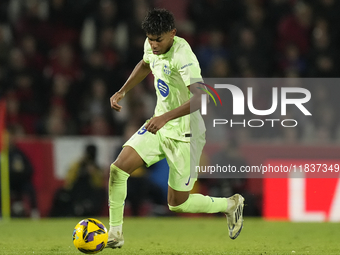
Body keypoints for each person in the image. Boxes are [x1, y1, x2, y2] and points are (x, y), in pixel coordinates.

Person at [106, 9, 245, 249]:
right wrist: (122, 91)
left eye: (158, 39)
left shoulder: (184, 56)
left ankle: (230, 204)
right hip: (158, 125)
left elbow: (202, 99)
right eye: (149, 38)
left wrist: (165, 117)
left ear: (173, 33)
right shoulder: (152, 44)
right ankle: (115, 234)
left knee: (177, 203)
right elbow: (145, 63)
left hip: (186, 134)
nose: (153, 44)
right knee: (118, 170)